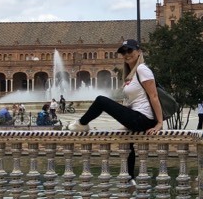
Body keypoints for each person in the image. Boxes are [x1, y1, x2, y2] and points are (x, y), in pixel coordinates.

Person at [68, 39, 164, 182]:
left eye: (129, 50)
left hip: (143, 118)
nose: (126, 54)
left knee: (101, 100)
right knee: (127, 139)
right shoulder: (131, 73)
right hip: (137, 116)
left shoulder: (142, 69)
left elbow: (154, 96)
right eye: (123, 52)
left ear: (138, 52)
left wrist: (159, 123)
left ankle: (81, 124)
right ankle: (130, 178)